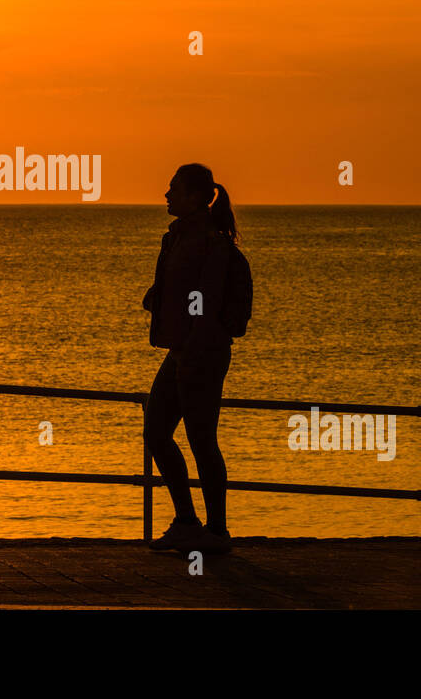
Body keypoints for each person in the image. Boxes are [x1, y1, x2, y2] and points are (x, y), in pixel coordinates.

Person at [142, 163, 246, 555]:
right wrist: (158, 300)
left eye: (173, 189)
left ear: (194, 197)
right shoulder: (180, 238)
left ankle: (216, 531)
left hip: (201, 352)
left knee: (202, 439)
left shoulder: (209, 242)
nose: (166, 195)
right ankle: (188, 521)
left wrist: (193, 339)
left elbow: (207, 299)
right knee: (156, 431)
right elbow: (183, 291)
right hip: (181, 350)